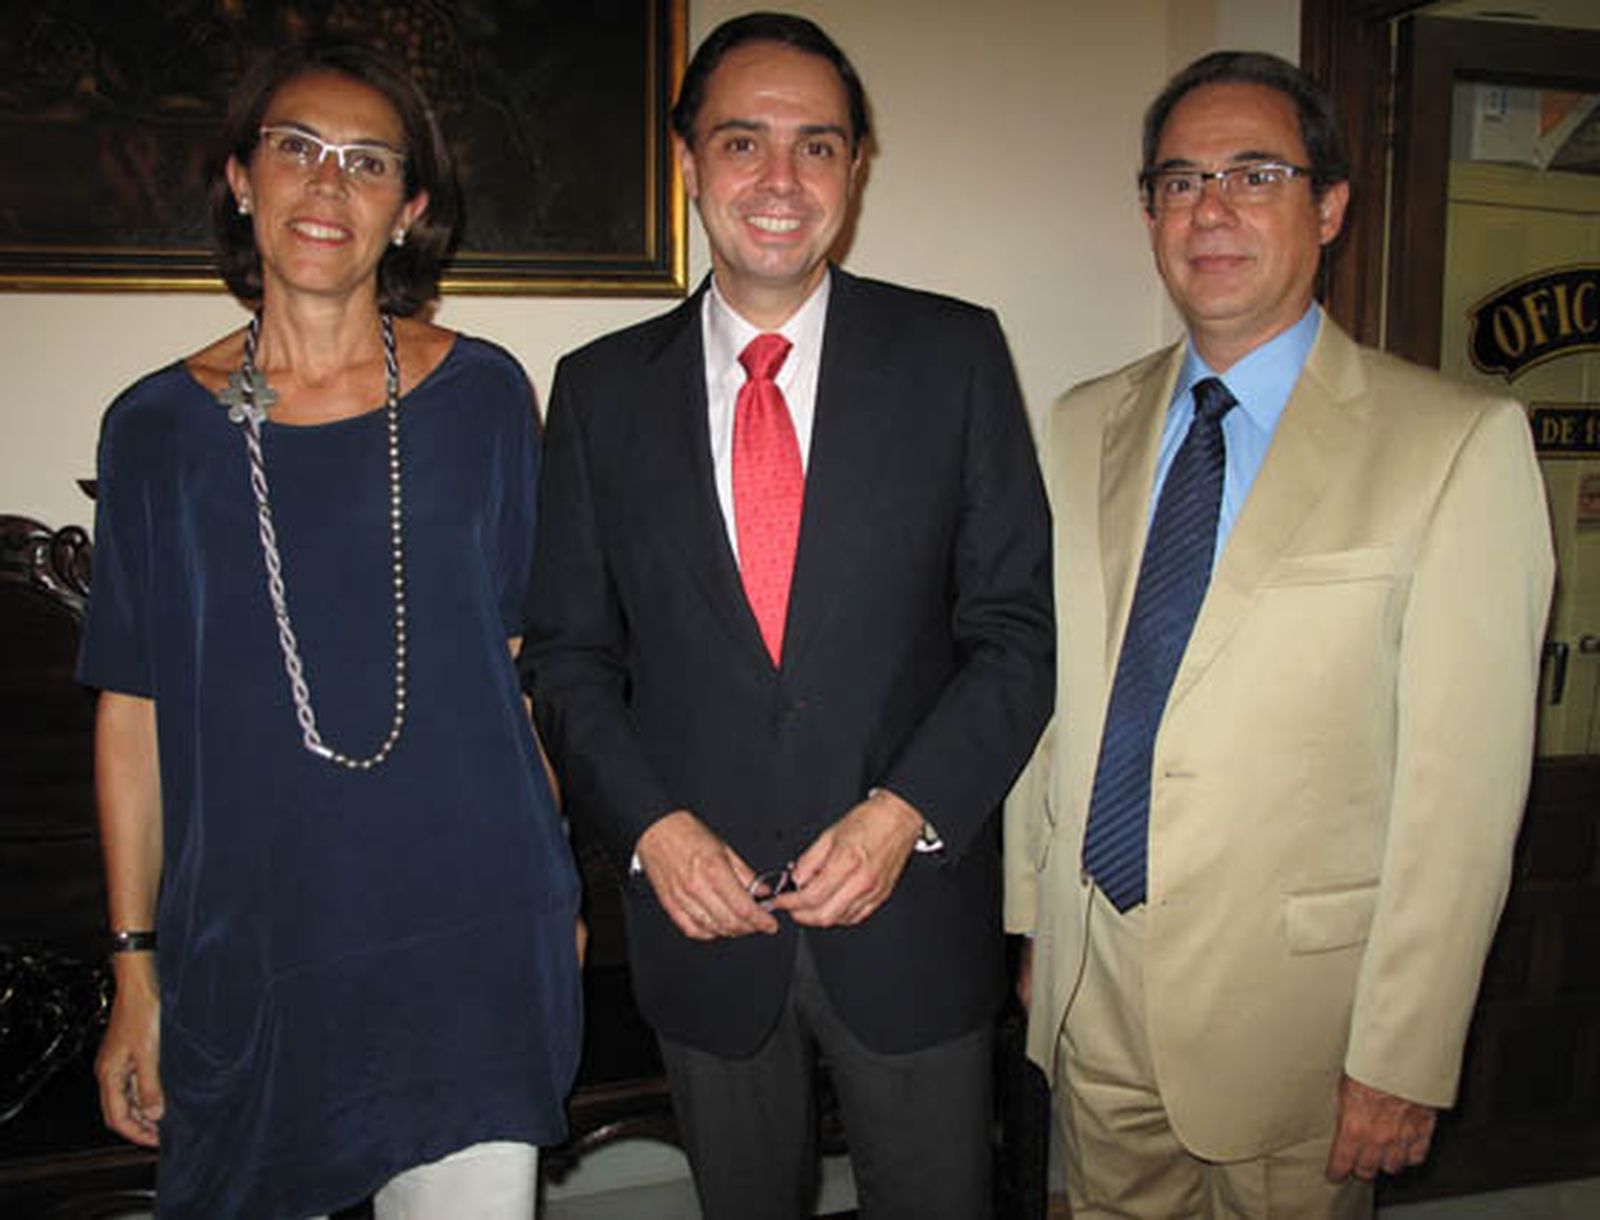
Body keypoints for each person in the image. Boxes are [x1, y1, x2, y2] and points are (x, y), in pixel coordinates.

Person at [1004, 49, 1554, 1218]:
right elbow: (1058, 694)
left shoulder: (1454, 442)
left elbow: (1463, 794)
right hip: (1095, 982)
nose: (1210, 209)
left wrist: (1403, 1049)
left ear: (1331, 205)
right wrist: (1034, 918)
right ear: (1149, 209)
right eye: (1180, 179)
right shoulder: (1079, 419)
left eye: (1255, 174)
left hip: (1303, 1017)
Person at [522, 12, 1053, 1220]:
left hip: (911, 915)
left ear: (855, 169)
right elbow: (570, 656)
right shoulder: (600, 392)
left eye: (816, 146)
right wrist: (653, 831)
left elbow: (1015, 632)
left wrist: (904, 812)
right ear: (690, 160)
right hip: (700, 926)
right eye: (742, 141)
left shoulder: (955, 356)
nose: (778, 180)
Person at [80, 41, 581, 1220]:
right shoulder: (155, 429)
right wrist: (132, 971)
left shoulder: (486, 398)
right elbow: (131, 715)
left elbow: (522, 679)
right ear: (240, 179)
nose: (325, 183)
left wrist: (556, 891)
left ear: (408, 211)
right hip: (253, 955)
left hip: (467, 939)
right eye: (295, 148)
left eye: (365, 162)